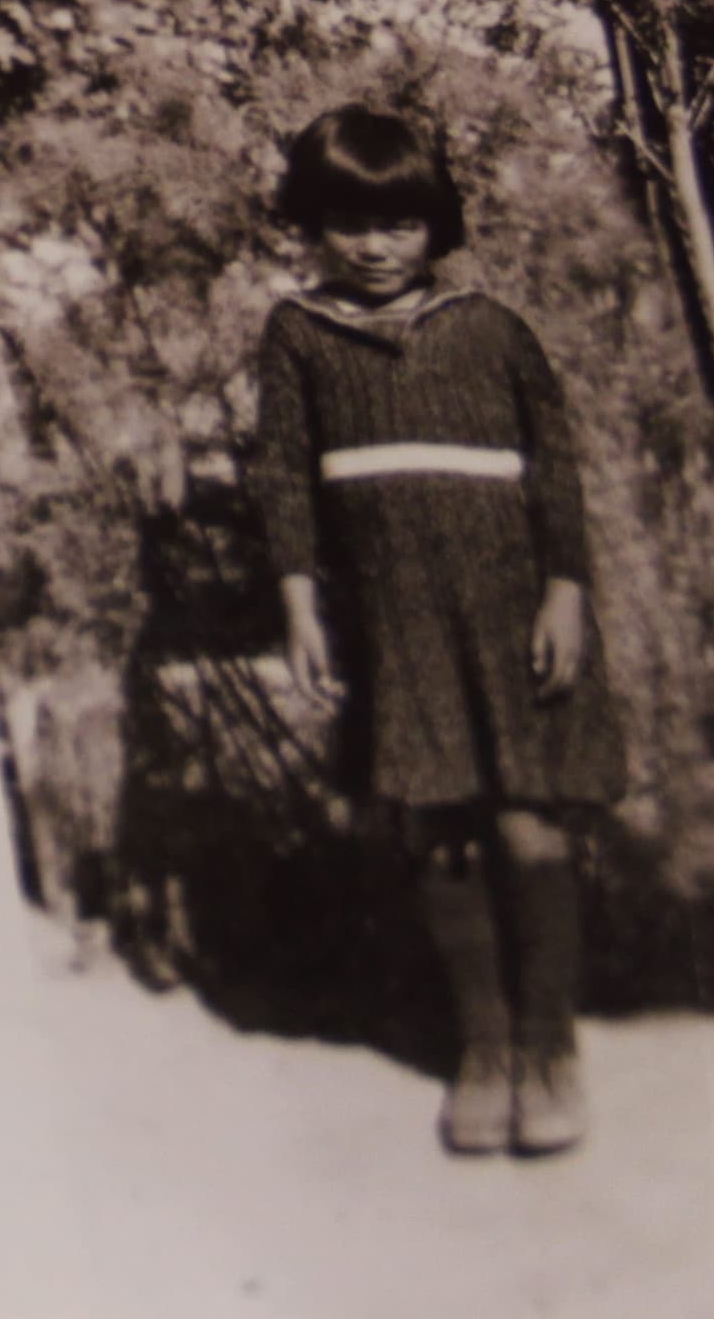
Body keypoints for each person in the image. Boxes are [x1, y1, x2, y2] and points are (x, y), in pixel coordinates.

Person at [246, 104, 623, 1158]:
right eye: (349, 224)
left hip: (508, 613)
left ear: (437, 224)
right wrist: (296, 601)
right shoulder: (298, 335)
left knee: (527, 823)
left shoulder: (491, 329)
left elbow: (554, 467)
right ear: (313, 226)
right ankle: (487, 1047)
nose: (375, 247)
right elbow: (280, 471)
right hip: (395, 618)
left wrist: (565, 590)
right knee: (439, 826)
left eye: (401, 223)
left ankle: (551, 1047)